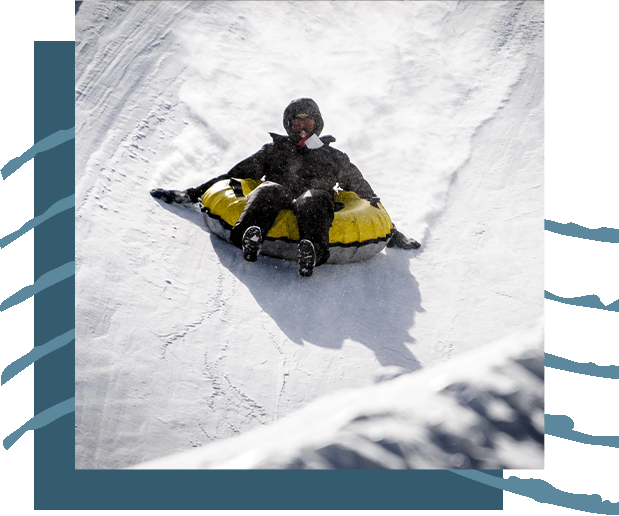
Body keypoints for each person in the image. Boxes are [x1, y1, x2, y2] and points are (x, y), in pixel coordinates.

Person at [151, 98, 420, 276]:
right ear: (288, 125)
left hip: (316, 200)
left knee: (312, 199)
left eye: (308, 123)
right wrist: (192, 193)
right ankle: (250, 238)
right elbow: (235, 176)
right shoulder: (275, 151)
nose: (302, 129)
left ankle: (311, 251)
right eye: (297, 123)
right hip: (280, 193)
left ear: (317, 125)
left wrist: (392, 232)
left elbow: (364, 194)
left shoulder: (332, 156)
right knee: (268, 190)